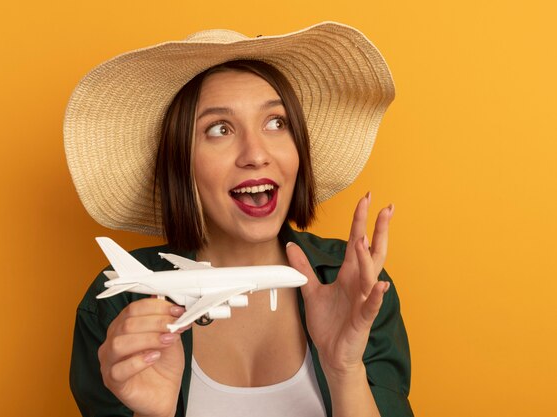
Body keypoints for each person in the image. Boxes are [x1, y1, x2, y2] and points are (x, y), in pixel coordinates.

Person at [65, 22, 412, 417]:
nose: (255, 153)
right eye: (219, 129)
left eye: (276, 123)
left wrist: (344, 370)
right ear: (181, 163)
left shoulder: (355, 284)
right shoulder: (118, 308)